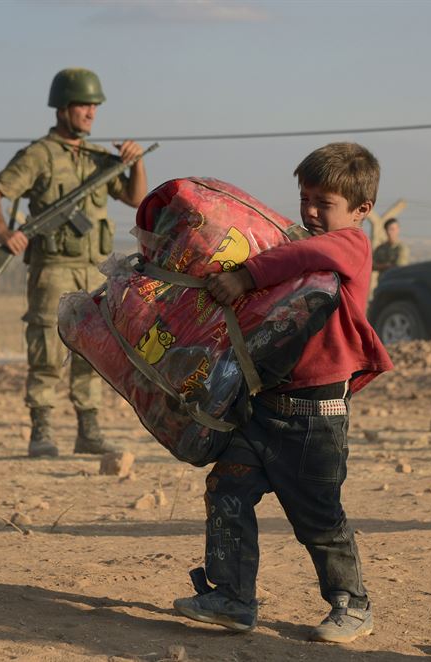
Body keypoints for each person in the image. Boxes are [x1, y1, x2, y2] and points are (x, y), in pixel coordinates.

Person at [173, 142, 394, 643]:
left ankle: (352, 604)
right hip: (264, 407)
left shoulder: (351, 245)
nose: (312, 212)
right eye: (306, 198)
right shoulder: (295, 244)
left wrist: (248, 274)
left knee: (317, 516)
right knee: (227, 488)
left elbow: (307, 252)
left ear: (361, 211)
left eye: (325, 203)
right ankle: (232, 598)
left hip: (315, 418)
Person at [0, 68, 147, 458]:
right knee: (46, 347)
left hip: (95, 268)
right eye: (83, 105)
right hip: (53, 267)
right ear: (62, 108)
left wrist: (135, 162)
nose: (91, 113)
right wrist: (5, 234)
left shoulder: (99, 159)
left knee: (94, 348)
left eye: (94, 106)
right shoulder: (39, 155)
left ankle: (88, 431)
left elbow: (136, 198)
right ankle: (42, 432)